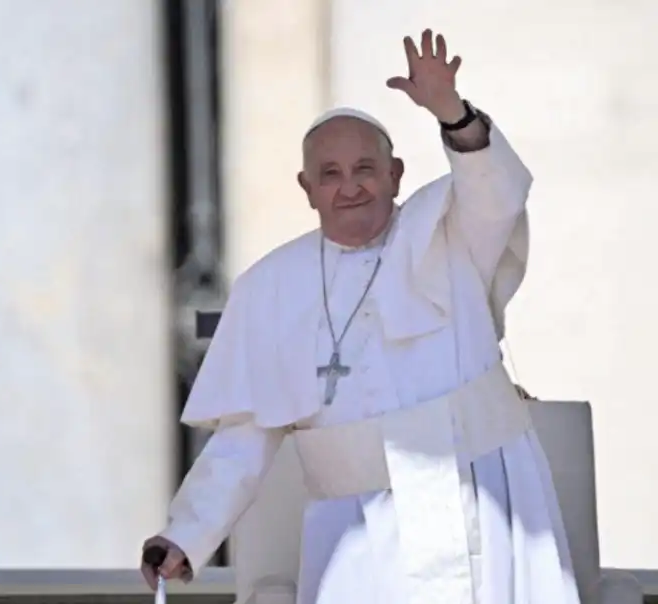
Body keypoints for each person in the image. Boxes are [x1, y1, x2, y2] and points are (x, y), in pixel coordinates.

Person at [142, 30, 581, 604]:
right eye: (330, 174)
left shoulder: (449, 231)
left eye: (365, 168)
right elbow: (243, 442)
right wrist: (185, 536)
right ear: (307, 189)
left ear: (396, 174)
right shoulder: (269, 288)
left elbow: (497, 191)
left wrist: (451, 112)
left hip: (485, 498)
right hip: (356, 533)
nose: (350, 187)